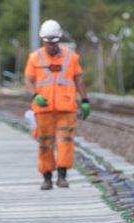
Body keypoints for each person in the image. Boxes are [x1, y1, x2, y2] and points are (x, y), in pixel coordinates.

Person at [24, 19, 91, 190]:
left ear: (59, 40)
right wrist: (34, 95)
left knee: (65, 142)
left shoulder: (71, 57)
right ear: (42, 41)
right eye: (48, 43)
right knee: (45, 143)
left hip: (66, 108)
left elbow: (79, 79)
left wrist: (84, 100)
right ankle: (47, 178)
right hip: (43, 109)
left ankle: (62, 176)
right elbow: (28, 80)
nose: (51, 47)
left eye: (54, 43)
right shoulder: (34, 58)